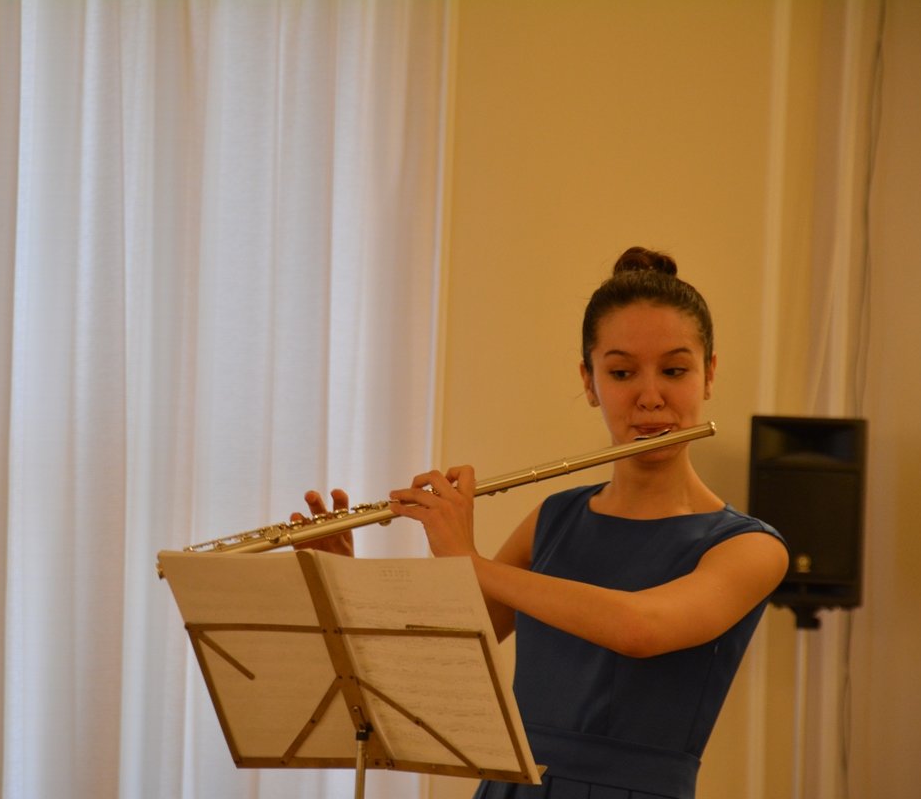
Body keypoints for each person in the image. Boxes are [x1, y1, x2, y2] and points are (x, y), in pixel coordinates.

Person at [298, 246, 788, 799]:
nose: (650, 397)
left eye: (675, 370)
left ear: (709, 374)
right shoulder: (554, 519)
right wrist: (344, 584)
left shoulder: (749, 548)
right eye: (621, 372)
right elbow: (433, 660)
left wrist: (469, 562)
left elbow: (639, 629)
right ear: (589, 381)